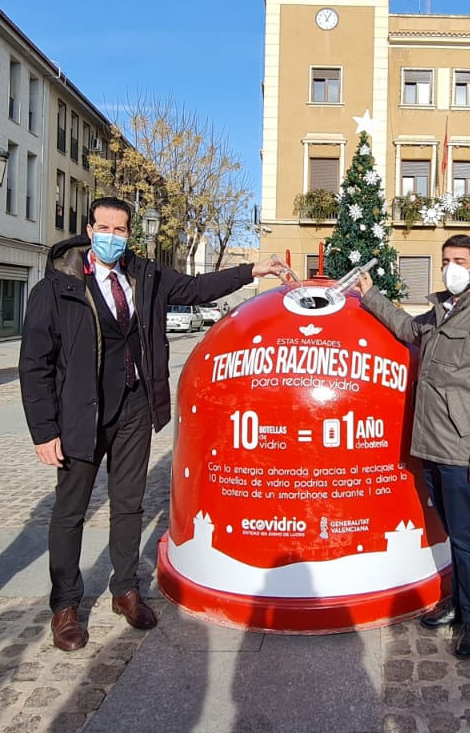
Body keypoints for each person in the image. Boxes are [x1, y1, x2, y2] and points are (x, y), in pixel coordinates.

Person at [20, 198, 287, 650]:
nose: (111, 236)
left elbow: (198, 288)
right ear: (88, 230)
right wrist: (45, 430)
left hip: (134, 408)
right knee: (70, 512)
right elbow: (34, 363)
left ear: (128, 235)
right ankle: (65, 604)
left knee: (129, 505)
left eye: (120, 230)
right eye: (103, 227)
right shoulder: (57, 286)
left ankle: (125, 589)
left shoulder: (145, 275)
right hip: (81, 415)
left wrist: (253, 271)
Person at [357, 234, 470, 660]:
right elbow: (406, 328)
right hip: (432, 447)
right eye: (446, 259)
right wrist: (370, 295)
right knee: (452, 532)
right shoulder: (439, 314)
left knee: (468, 537)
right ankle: (457, 602)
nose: (451, 266)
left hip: (463, 455)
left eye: (460, 261)